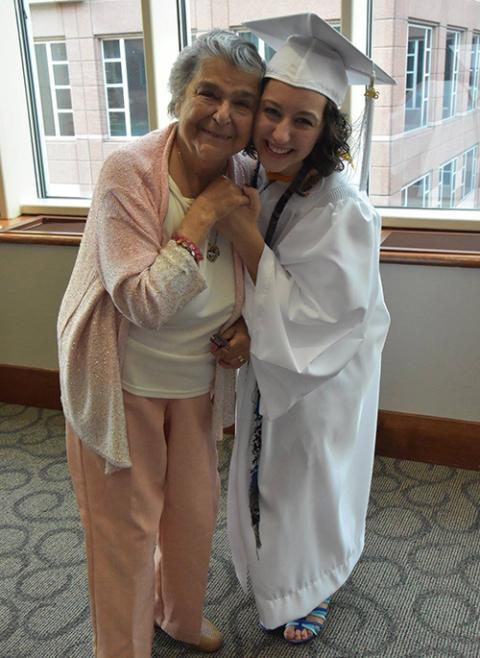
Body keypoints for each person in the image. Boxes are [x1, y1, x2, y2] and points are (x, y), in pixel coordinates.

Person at [57, 30, 264, 658]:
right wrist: (202, 217)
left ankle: (177, 615)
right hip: (121, 384)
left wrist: (248, 326)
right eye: (208, 93)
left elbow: (262, 271)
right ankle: (120, 648)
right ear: (180, 96)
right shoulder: (129, 171)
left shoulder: (247, 173)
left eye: (243, 102)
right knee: (123, 533)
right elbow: (142, 302)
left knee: (192, 517)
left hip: (197, 386)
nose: (223, 115)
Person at [213, 12, 395, 646]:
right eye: (271, 111)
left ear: (326, 131)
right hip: (274, 356)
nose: (280, 132)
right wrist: (243, 321)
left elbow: (321, 316)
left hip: (324, 369)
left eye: (303, 120)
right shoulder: (259, 176)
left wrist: (242, 235)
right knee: (263, 470)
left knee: (308, 470)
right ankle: (271, 572)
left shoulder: (344, 209)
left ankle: (312, 582)